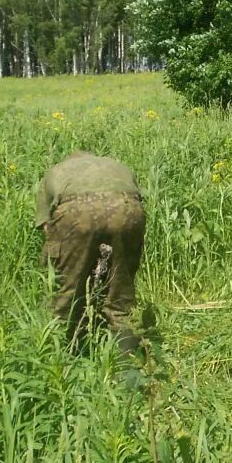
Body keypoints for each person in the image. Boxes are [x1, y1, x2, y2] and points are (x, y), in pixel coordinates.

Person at [36, 151, 145, 355]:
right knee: (120, 299)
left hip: (76, 211)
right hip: (128, 208)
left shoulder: (56, 171)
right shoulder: (118, 165)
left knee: (64, 295)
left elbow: (47, 229)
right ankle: (129, 373)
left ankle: (60, 357)